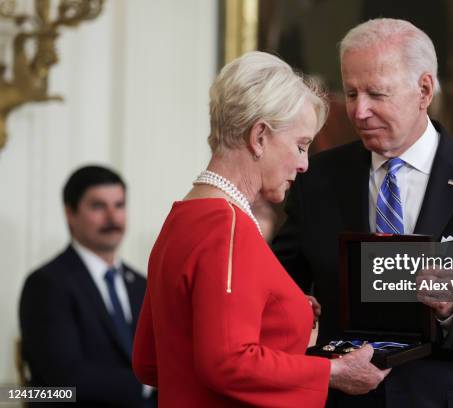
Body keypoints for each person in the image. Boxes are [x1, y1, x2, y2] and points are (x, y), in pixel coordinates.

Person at [272, 18, 453, 407]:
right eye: (351, 93)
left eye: (376, 93)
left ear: (423, 89)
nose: (359, 111)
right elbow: (276, 288)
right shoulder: (316, 178)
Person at [131, 51, 389, 408]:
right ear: (259, 137)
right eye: (300, 146)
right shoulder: (227, 227)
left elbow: (149, 362)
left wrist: (279, 317)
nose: (303, 164)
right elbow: (227, 361)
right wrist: (333, 372)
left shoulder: (184, 216)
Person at [19, 165, 155, 407]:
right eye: (98, 206)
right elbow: (63, 380)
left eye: (119, 205)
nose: (112, 217)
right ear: (70, 213)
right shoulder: (46, 284)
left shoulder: (142, 284)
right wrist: (146, 385)